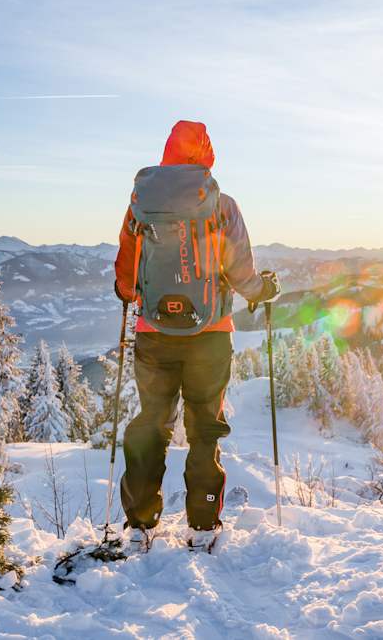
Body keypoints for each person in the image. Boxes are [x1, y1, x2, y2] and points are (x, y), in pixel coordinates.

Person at [113, 120, 279, 551]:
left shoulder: (141, 206)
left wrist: (135, 294)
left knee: (151, 423)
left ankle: (140, 525)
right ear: (206, 154)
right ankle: (203, 525)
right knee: (205, 427)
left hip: (154, 334)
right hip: (209, 335)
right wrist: (265, 290)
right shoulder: (222, 205)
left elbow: (126, 281)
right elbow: (241, 273)